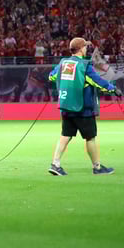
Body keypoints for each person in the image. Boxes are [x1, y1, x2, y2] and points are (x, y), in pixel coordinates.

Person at [48, 38, 120, 176]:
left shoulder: (63, 62)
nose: (86, 49)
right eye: (85, 47)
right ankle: (97, 167)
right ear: (81, 49)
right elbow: (97, 81)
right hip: (83, 109)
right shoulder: (84, 65)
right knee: (90, 137)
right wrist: (113, 89)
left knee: (65, 135)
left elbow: (51, 77)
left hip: (66, 107)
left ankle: (55, 164)